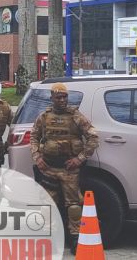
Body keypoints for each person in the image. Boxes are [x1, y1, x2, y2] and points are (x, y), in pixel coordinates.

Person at [30, 82, 99, 253]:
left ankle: (75, 239)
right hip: (48, 168)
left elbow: (93, 138)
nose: (62, 100)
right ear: (52, 98)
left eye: (64, 97)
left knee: (74, 206)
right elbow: (34, 136)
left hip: (69, 170)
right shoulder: (44, 117)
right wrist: (37, 157)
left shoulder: (76, 116)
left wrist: (80, 159)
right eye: (58, 97)